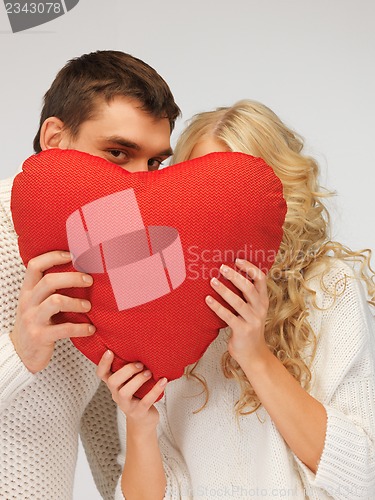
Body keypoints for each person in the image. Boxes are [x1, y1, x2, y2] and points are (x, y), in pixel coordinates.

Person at [98, 100, 375, 499]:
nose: (221, 209)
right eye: (204, 189)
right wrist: (139, 424)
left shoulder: (327, 287)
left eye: (238, 190)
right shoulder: (153, 304)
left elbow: (361, 478)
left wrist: (255, 354)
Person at [0, 49, 180, 499]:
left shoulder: (118, 252)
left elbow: (108, 440)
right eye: (118, 153)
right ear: (55, 138)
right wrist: (18, 352)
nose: (142, 183)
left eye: (155, 163)